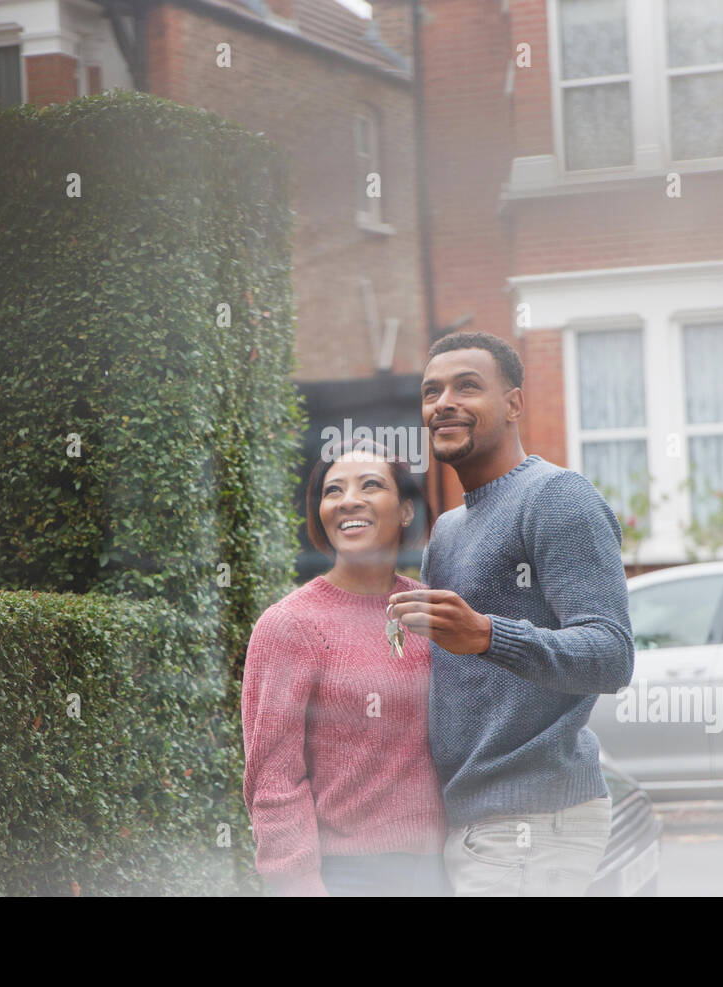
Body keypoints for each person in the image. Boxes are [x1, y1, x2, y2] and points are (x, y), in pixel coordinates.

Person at [387, 331, 635, 896]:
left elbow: (611, 655)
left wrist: (486, 634)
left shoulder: (556, 497)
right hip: (474, 822)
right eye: (432, 392)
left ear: (514, 404)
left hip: (531, 824)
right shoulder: (448, 530)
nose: (443, 402)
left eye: (467, 387)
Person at [241, 438, 450, 896]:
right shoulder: (290, 625)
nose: (348, 500)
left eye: (370, 485)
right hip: (347, 876)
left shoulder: (432, 611)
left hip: (443, 870)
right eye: (333, 491)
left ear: (406, 510)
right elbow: (273, 781)